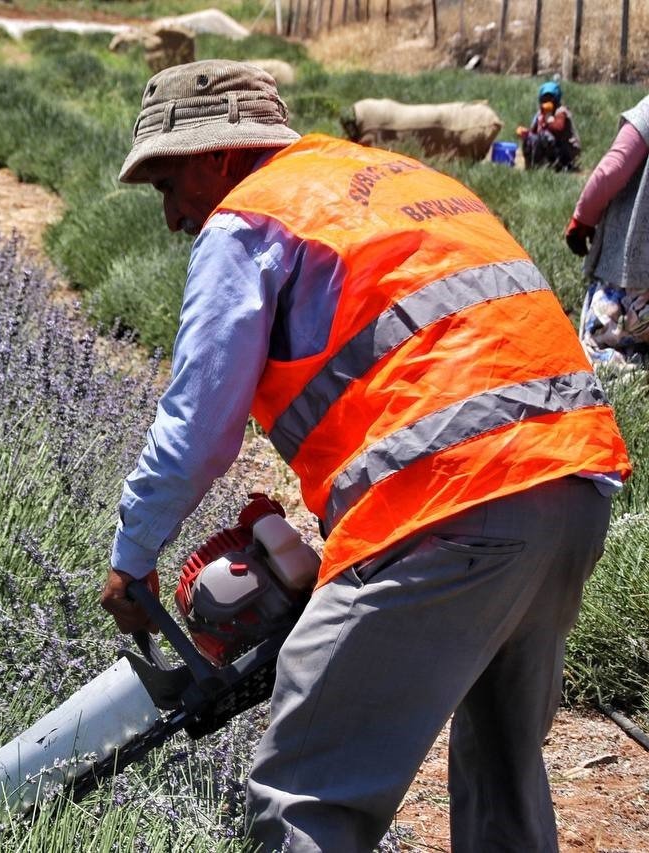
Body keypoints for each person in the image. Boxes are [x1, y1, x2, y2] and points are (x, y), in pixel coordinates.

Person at [98, 60, 631, 852]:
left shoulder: (248, 219)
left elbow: (196, 428)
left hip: (449, 502)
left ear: (215, 157)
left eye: (167, 186)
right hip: (575, 478)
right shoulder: (383, 175)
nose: (172, 217)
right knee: (503, 780)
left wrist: (131, 557)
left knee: (304, 793)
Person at [565, 94, 649, 366]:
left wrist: (583, 219)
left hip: (633, 283)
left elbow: (612, 170)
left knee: (596, 348)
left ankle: (618, 365)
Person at [516, 80, 581, 171]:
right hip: (551, 146)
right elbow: (534, 132)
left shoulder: (561, 112)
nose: (547, 101)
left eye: (550, 98)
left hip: (566, 149)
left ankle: (558, 164)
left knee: (544, 135)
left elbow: (559, 128)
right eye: (544, 99)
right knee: (530, 139)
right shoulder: (540, 114)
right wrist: (526, 133)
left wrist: (547, 120)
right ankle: (532, 166)